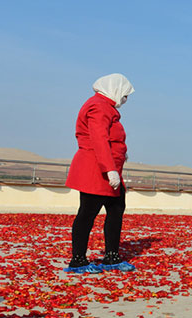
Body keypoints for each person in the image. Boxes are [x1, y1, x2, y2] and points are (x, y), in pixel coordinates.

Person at [64, 73, 136, 274]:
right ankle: (78, 259)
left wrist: (121, 155)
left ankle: (112, 255)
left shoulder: (106, 107)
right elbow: (99, 139)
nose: (125, 100)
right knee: (87, 213)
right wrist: (110, 169)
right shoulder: (99, 106)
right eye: (125, 95)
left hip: (107, 168)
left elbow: (111, 138)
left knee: (116, 209)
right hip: (96, 169)